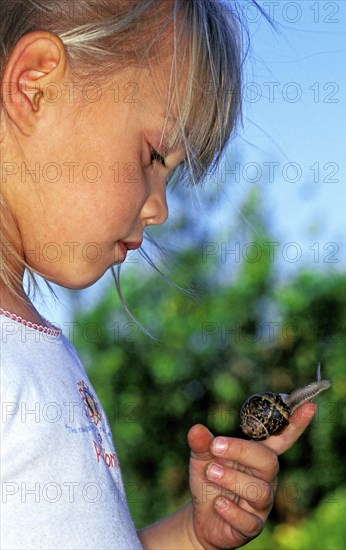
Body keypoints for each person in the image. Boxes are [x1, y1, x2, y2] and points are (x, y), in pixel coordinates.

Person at [0, 1, 316, 548]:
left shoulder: (36, 348)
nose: (160, 210)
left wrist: (191, 535)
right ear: (36, 87)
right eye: (152, 156)